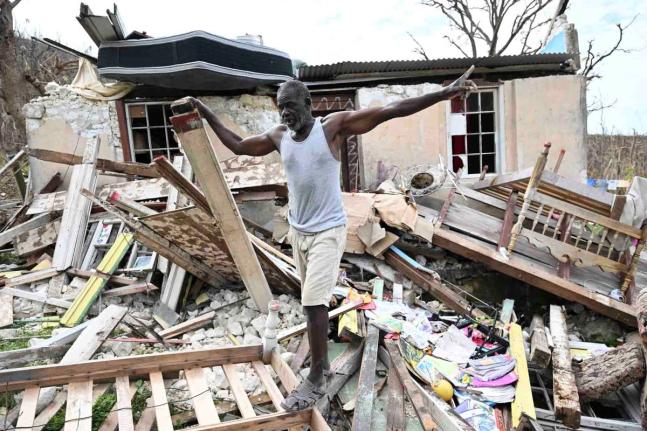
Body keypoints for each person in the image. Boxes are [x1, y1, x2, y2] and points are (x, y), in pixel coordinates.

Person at [184, 66, 476, 410]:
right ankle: (320, 359)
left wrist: (445, 93)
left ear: (308, 103)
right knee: (312, 300)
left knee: (312, 302)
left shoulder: (332, 129)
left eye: (291, 105)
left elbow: (389, 112)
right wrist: (204, 113)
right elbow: (239, 145)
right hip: (299, 231)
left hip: (328, 231)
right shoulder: (280, 137)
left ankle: (318, 376)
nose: (285, 113)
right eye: (281, 107)